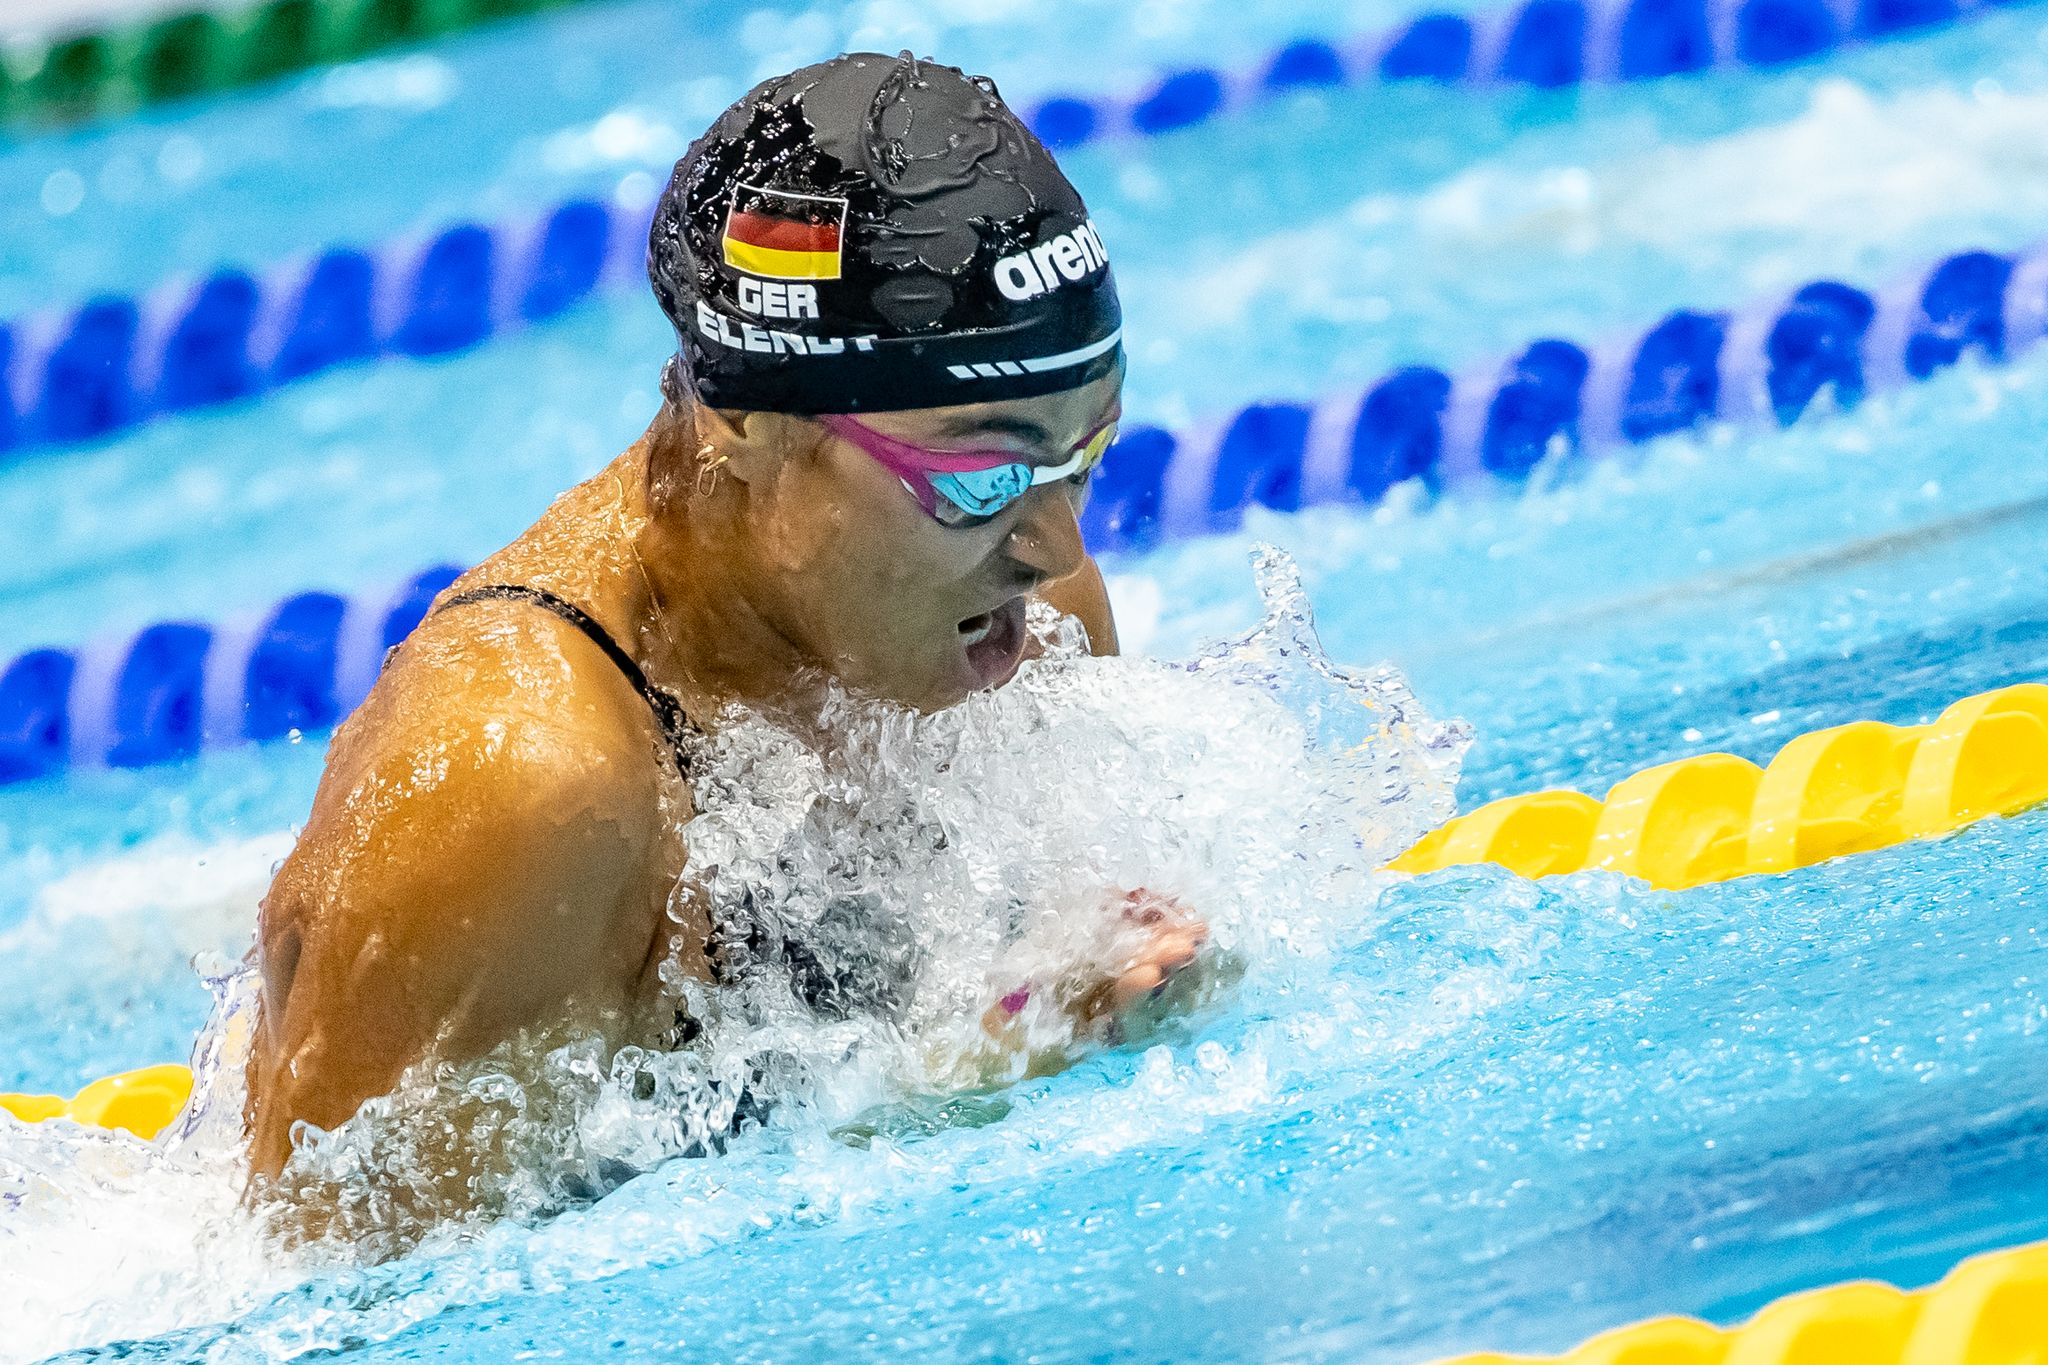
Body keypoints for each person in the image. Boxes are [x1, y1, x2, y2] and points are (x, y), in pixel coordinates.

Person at [243, 54, 1208, 1189]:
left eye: (1082, 459)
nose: (1056, 554)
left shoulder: (1020, 618)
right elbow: (350, 1287)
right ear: (745, 422)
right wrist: (961, 1086)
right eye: (981, 479)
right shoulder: (524, 789)